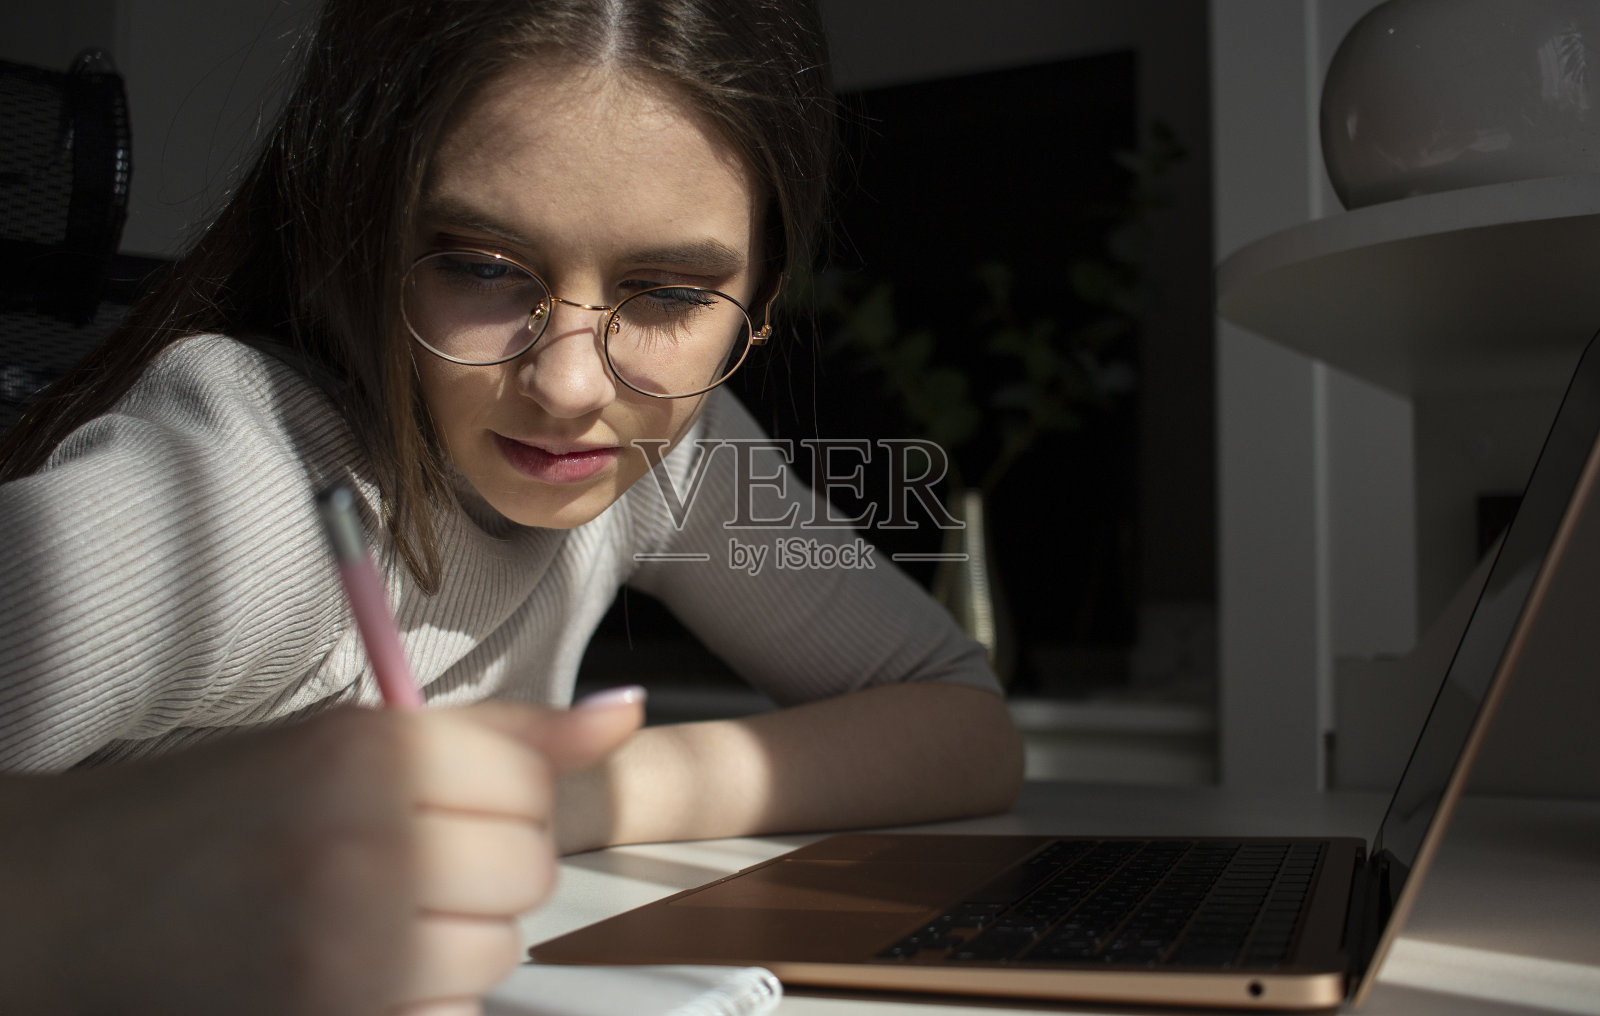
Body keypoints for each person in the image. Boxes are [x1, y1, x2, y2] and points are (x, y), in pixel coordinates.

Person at [0, 0, 1024, 1011]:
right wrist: (77, 890)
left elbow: (964, 720)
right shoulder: (233, 505)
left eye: (668, 293)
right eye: (485, 269)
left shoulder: (674, 445)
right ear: (353, 230)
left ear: (761, 297)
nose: (573, 386)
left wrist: (558, 792)